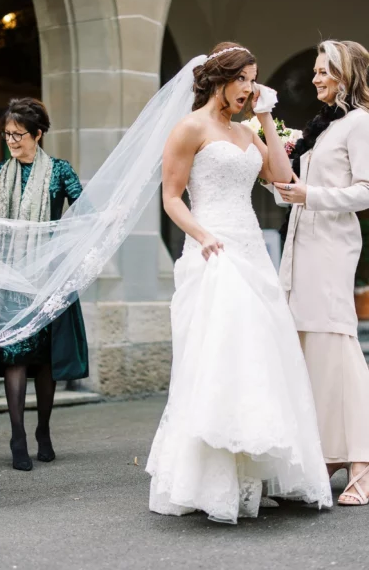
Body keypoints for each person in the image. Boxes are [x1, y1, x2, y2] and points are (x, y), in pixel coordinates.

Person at [145, 42, 332, 524]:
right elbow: (171, 198)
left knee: (259, 357)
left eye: (254, 79)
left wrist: (267, 118)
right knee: (218, 357)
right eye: (244, 79)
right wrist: (203, 236)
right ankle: (211, 480)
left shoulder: (248, 132)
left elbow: (283, 180)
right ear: (220, 80)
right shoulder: (189, 128)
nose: (250, 88)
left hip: (250, 251)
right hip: (212, 250)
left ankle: (250, 474)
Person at [0, 98, 89, 471]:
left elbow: (85, 211)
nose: (12, 141)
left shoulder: (59, 173)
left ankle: (44, 431)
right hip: (8, 282)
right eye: (7, 134)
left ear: (38, 134)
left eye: (19, 135)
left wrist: (63, 242)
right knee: (15, 358)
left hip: (48, 280)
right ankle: (17, 436)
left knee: (47, 362)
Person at [274, 40, 369, 506]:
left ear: (346, 74)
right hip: (300, 248)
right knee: (309, 350)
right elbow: (300, 191)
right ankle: (331, 452)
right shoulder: (319, 128)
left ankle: (363, 461)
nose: (315, 78)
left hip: (332, 248)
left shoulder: (360, 124)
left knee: (337, 345)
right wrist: (283, 185)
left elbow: (366, 192)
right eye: (313, 71)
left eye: (323, 71)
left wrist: (310, 195)